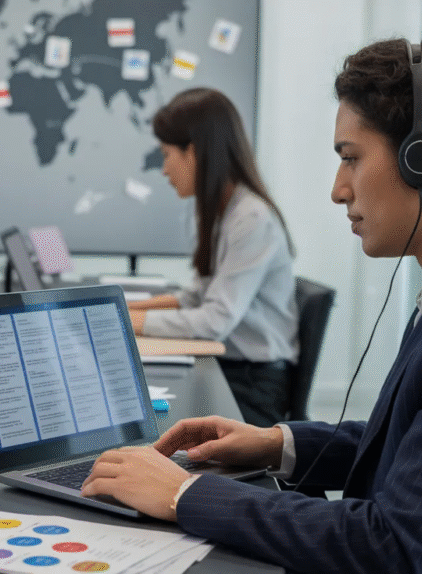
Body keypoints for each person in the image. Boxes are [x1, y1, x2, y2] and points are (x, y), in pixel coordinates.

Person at [82, 34, 422, 572]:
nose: (338, 189)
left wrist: (183, 495)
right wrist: (275, 443)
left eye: (351, 159)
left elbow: (394, 545)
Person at [128, 88, 299, 427]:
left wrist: (134, 323)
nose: (163, 170)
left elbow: (215, 320)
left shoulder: (251, 219)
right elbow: (196, 296)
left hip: (254, 384)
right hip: (232, 369)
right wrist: (127, 309)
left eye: (166, 155)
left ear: (194, 153)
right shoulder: (218, 211)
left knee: (151, 425)